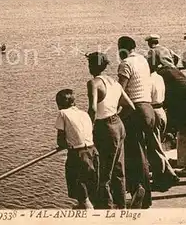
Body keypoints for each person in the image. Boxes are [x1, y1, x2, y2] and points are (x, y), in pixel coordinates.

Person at [117, 37, 178, 209]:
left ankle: (140, 193)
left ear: (121, 49)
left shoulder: (125, 64)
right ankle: (149, 190)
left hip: (135, 111)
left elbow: (120, 91)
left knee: (134, 154)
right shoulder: (143, 60)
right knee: (147, 150)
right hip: (149, 109)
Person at [86, 52, 134, 209]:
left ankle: (107, 208)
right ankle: (121, 206)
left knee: (103, 172)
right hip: (118, 125)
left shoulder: (94, 83)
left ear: (92, 66)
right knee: (119, 170)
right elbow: (130, 107)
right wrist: (116, 118)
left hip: (104, 128)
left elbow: (93, 109)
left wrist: (87, 128)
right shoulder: (114, 82)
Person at [55, 89, 99, 209]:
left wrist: (64, 144)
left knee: (81, 191)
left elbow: (60, 140)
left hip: (78, 155)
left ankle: (88, 212)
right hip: (92, 152)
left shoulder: (62, 113)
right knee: (89, 188)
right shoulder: (84, 113)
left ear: (59, 104)